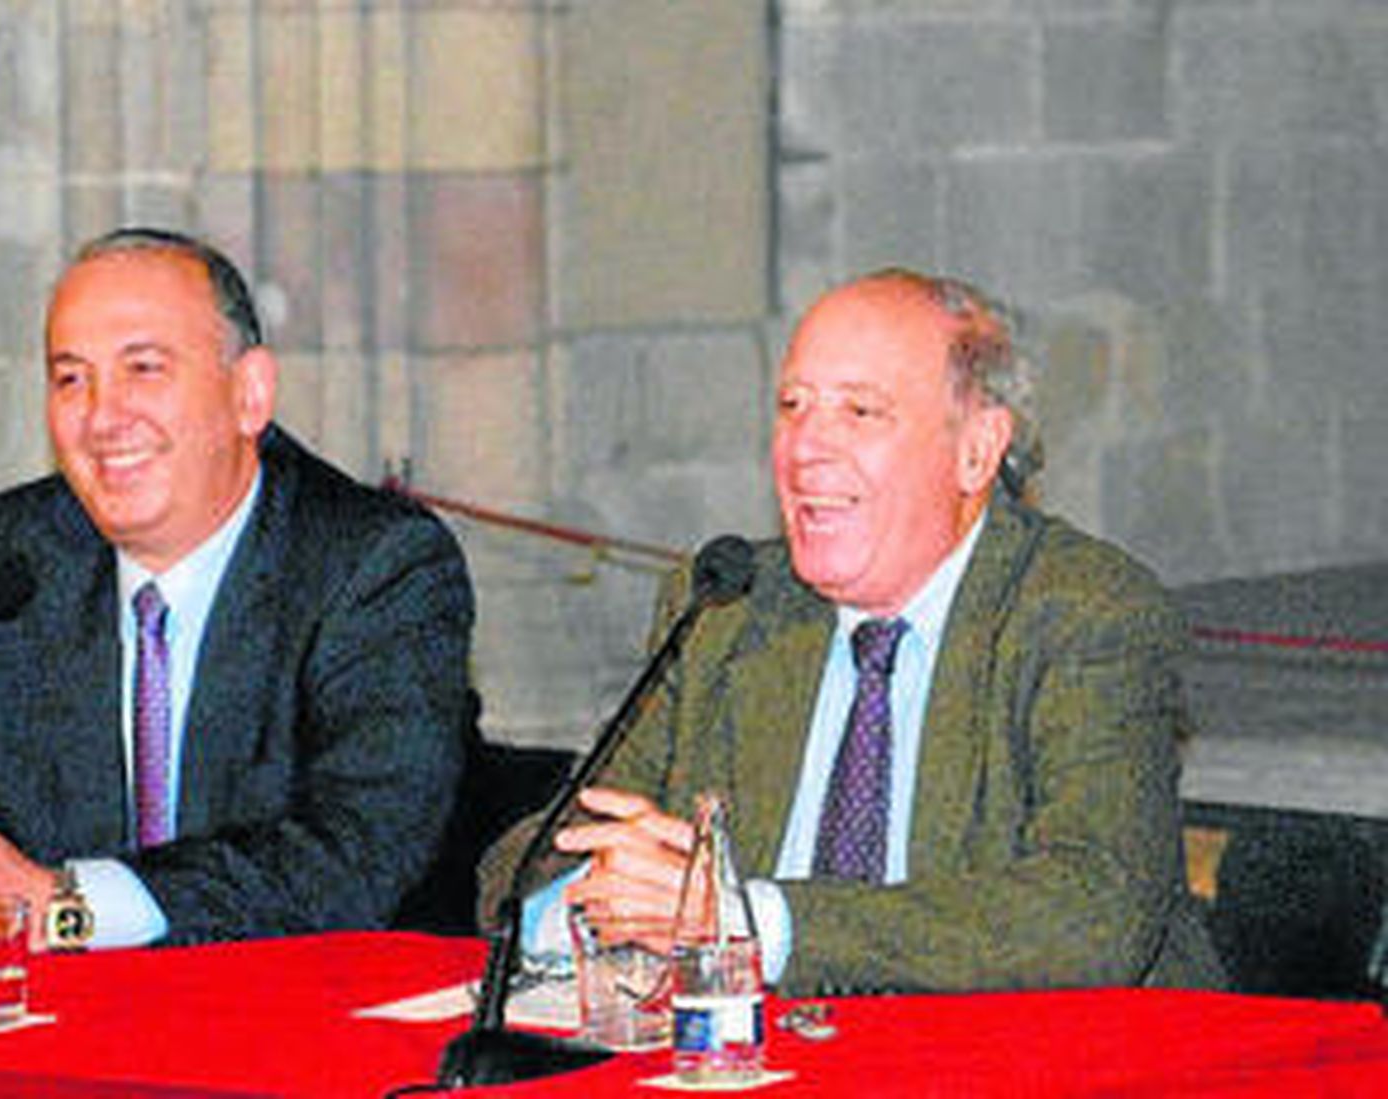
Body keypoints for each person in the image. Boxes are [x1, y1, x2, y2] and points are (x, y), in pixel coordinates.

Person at [485, 268, 1223, 995]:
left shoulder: (1081, 611)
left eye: (861, 412)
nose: (806, 446)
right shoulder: (725, 610)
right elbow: (520, 872)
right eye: (792, 405)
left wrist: (753, 924)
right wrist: (606, 894)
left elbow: (1093, 909)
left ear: (976, 449)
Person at [0, 228, 475, 952]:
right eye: (70, 378)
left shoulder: (375, 564)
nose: (102, 416)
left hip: (294, 1025)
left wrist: (60, 903)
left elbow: (352, 858)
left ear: (249, 393)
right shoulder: (9, 554)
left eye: (143, 369)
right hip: (52, 1027)